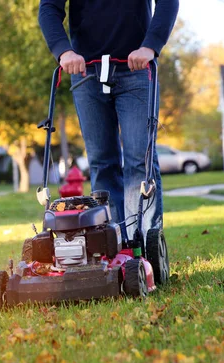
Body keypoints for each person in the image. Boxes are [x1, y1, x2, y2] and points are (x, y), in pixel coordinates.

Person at [38, 0, 179, 240]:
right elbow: (49, 8)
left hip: (137, 68)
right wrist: (64, 51)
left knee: (139, 160)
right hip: (86, 73)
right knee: (102, 162)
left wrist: (151, 46)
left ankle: (144, 246)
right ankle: (113, 244)